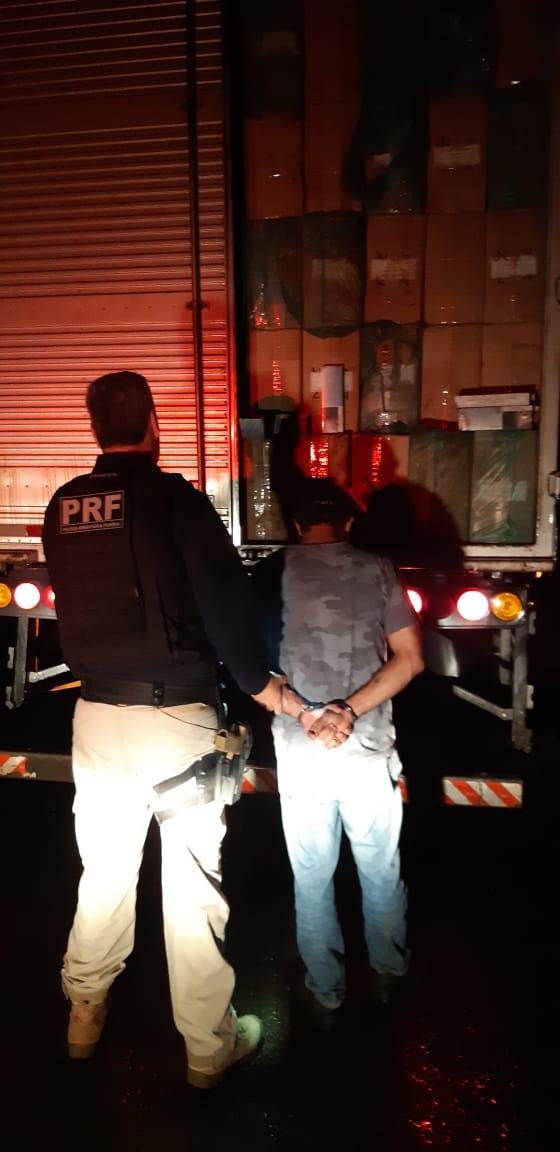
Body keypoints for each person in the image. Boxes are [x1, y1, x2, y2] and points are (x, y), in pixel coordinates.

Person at [42, 370, 283, 1089]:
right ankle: (207, 1049)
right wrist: (260, 684)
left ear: (95, 429)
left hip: (96, 718)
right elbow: (225, 601)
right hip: (176, 719)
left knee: (104, 873)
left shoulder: (64, 505)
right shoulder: (175, 499)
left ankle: (83, 1014)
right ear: (153, 423)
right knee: (190, 886)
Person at [253, 478, 424, 1028]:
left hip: (301, 752)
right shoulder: (379, 570)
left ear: (296, 525)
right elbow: (410, 658)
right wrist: (348, 711)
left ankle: (325, 990)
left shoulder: (270, 574)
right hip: (367, 750)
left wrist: (309, 714)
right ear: (350, 522)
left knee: (311, 877)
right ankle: (389, 973)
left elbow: (254, 671)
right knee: (380, 870)